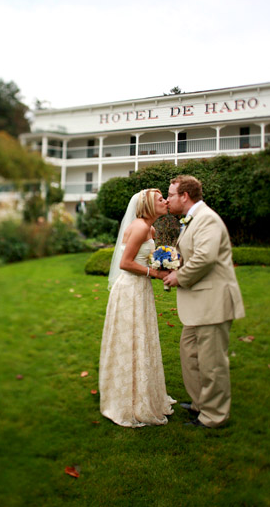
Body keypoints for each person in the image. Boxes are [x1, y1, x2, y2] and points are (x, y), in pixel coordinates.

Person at [164, 175, 245, 428]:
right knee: (191, 354)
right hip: (199, 304)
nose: (167, 200)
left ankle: (214, 416)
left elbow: (205, 258)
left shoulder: (207, 218)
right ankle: (201, 403)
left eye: (171, 195)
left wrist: (180, 276)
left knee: (212, 363)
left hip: (213, 302)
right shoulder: (192, 219)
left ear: (184, 196)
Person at [99, 188, 176, 427]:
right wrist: (154, 272)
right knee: (130, 339)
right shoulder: (141, 227)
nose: (165, 201)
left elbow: (144, 257)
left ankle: (142, 393)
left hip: (141, 288)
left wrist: (165, 261)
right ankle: (125, 399)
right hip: (130, 289)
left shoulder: (150, 228)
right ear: (148, 206)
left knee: (141, 338)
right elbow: (125, 263)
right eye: (160, 199)